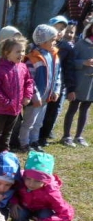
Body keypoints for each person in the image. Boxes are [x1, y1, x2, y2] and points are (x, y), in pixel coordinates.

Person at [10, 151, 74, 221]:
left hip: (42, 211)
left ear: (46, 181)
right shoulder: (21, 181)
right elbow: (12, 191)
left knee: (45, 214)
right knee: (17, 212)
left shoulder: (52, 192)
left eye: (37, 181)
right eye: (28, 179)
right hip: (25, 207)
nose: (31, 184)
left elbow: (66, 215)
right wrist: (14, 202)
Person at [0, 36, 35, 159]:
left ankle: (4, 149)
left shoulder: (23, 67)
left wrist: (27, 95)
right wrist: (6, 102)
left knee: (8, 131)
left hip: (15, 108)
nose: (21, 54)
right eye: (18, 51)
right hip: (1, 109)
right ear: (7, 53)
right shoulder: (0, 70)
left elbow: (29, 82)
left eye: (23, 51)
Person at [19, 24, 61, 152]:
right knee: (29, 122)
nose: (55, 42)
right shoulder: (33, 58)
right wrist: (35, 96)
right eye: (52, 40)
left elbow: (57, 75)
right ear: (43, 41)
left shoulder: (54, 55)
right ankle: (24, 142)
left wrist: (56, 90)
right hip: (35, 98)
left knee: (38, 122)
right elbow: (29, 80)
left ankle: (34, 140)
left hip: (46, 97)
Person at [39, 16, 77, 146]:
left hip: (57, 85)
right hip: (42, 84)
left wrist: (70, 88)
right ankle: (33, 135)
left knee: (52, 112)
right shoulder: (41, 45)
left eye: (62, 29)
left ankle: (44, 136)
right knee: (39, 111)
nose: (59, 31)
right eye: (57, 28)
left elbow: (69, 69)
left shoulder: (67, 48)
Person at [61, 21, 93, 147]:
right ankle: (66, 136)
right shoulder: (81, 44)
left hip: (91, 86)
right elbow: (71, 62)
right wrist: (83, 62)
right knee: (73, 108)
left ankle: (79, 136)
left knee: (85, 109)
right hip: (79, 83)